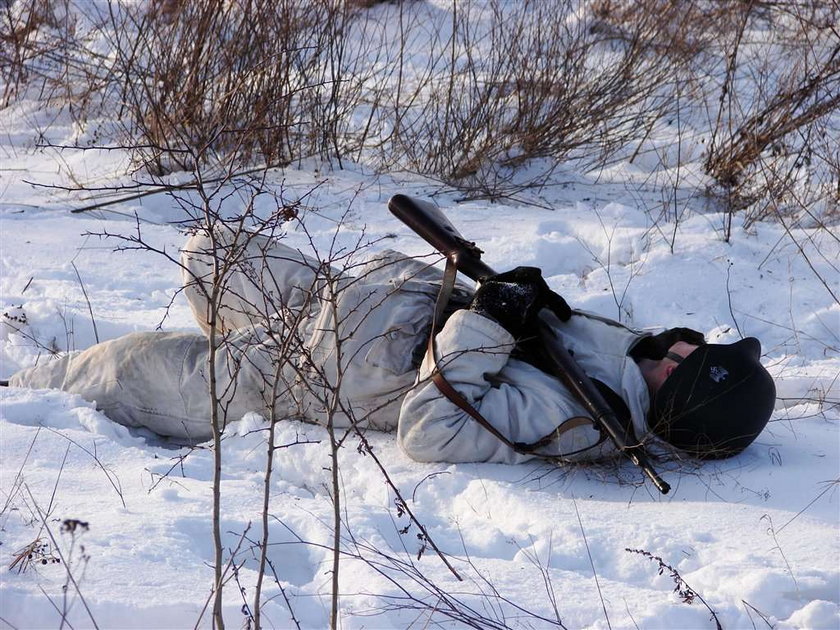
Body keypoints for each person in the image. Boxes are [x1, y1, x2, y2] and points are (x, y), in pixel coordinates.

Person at [8, 227, 776, 465]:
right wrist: (518, 297)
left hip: (318, 372)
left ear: (680, 401)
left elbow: (432, 429)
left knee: (120, 369)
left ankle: (21, 382)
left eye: (687, 363)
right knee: (208, 252)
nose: (678, 348)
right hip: (356, 298)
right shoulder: (632, 354)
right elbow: (528, 327)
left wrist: (489, 324)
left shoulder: (580, 422)